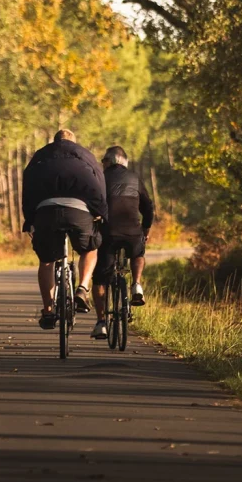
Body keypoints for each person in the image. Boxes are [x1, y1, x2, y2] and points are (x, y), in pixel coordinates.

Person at [22, 128, 107, 329]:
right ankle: (82, 289)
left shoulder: (40, 156)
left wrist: (29, 219)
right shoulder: (86, 155)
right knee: (90, 249)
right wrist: (101, 214)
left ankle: (48, 311)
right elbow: (100, 186)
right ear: (74, 142)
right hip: (79, 211)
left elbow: (27, 188)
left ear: (54, 141)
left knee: (46, 261)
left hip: (46, 212)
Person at [90, 145, 154, 340]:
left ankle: (101, 322)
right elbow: (148, 207)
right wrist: (145, 230)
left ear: (110, 161)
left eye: (104, 161)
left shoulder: (100, 179)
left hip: (108, 234)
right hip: (133, 232)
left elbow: (92, 205)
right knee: (138, 253)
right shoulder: (135, 179)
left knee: (100, 279)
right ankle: (136, 284)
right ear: (124, 162)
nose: (102, 164)